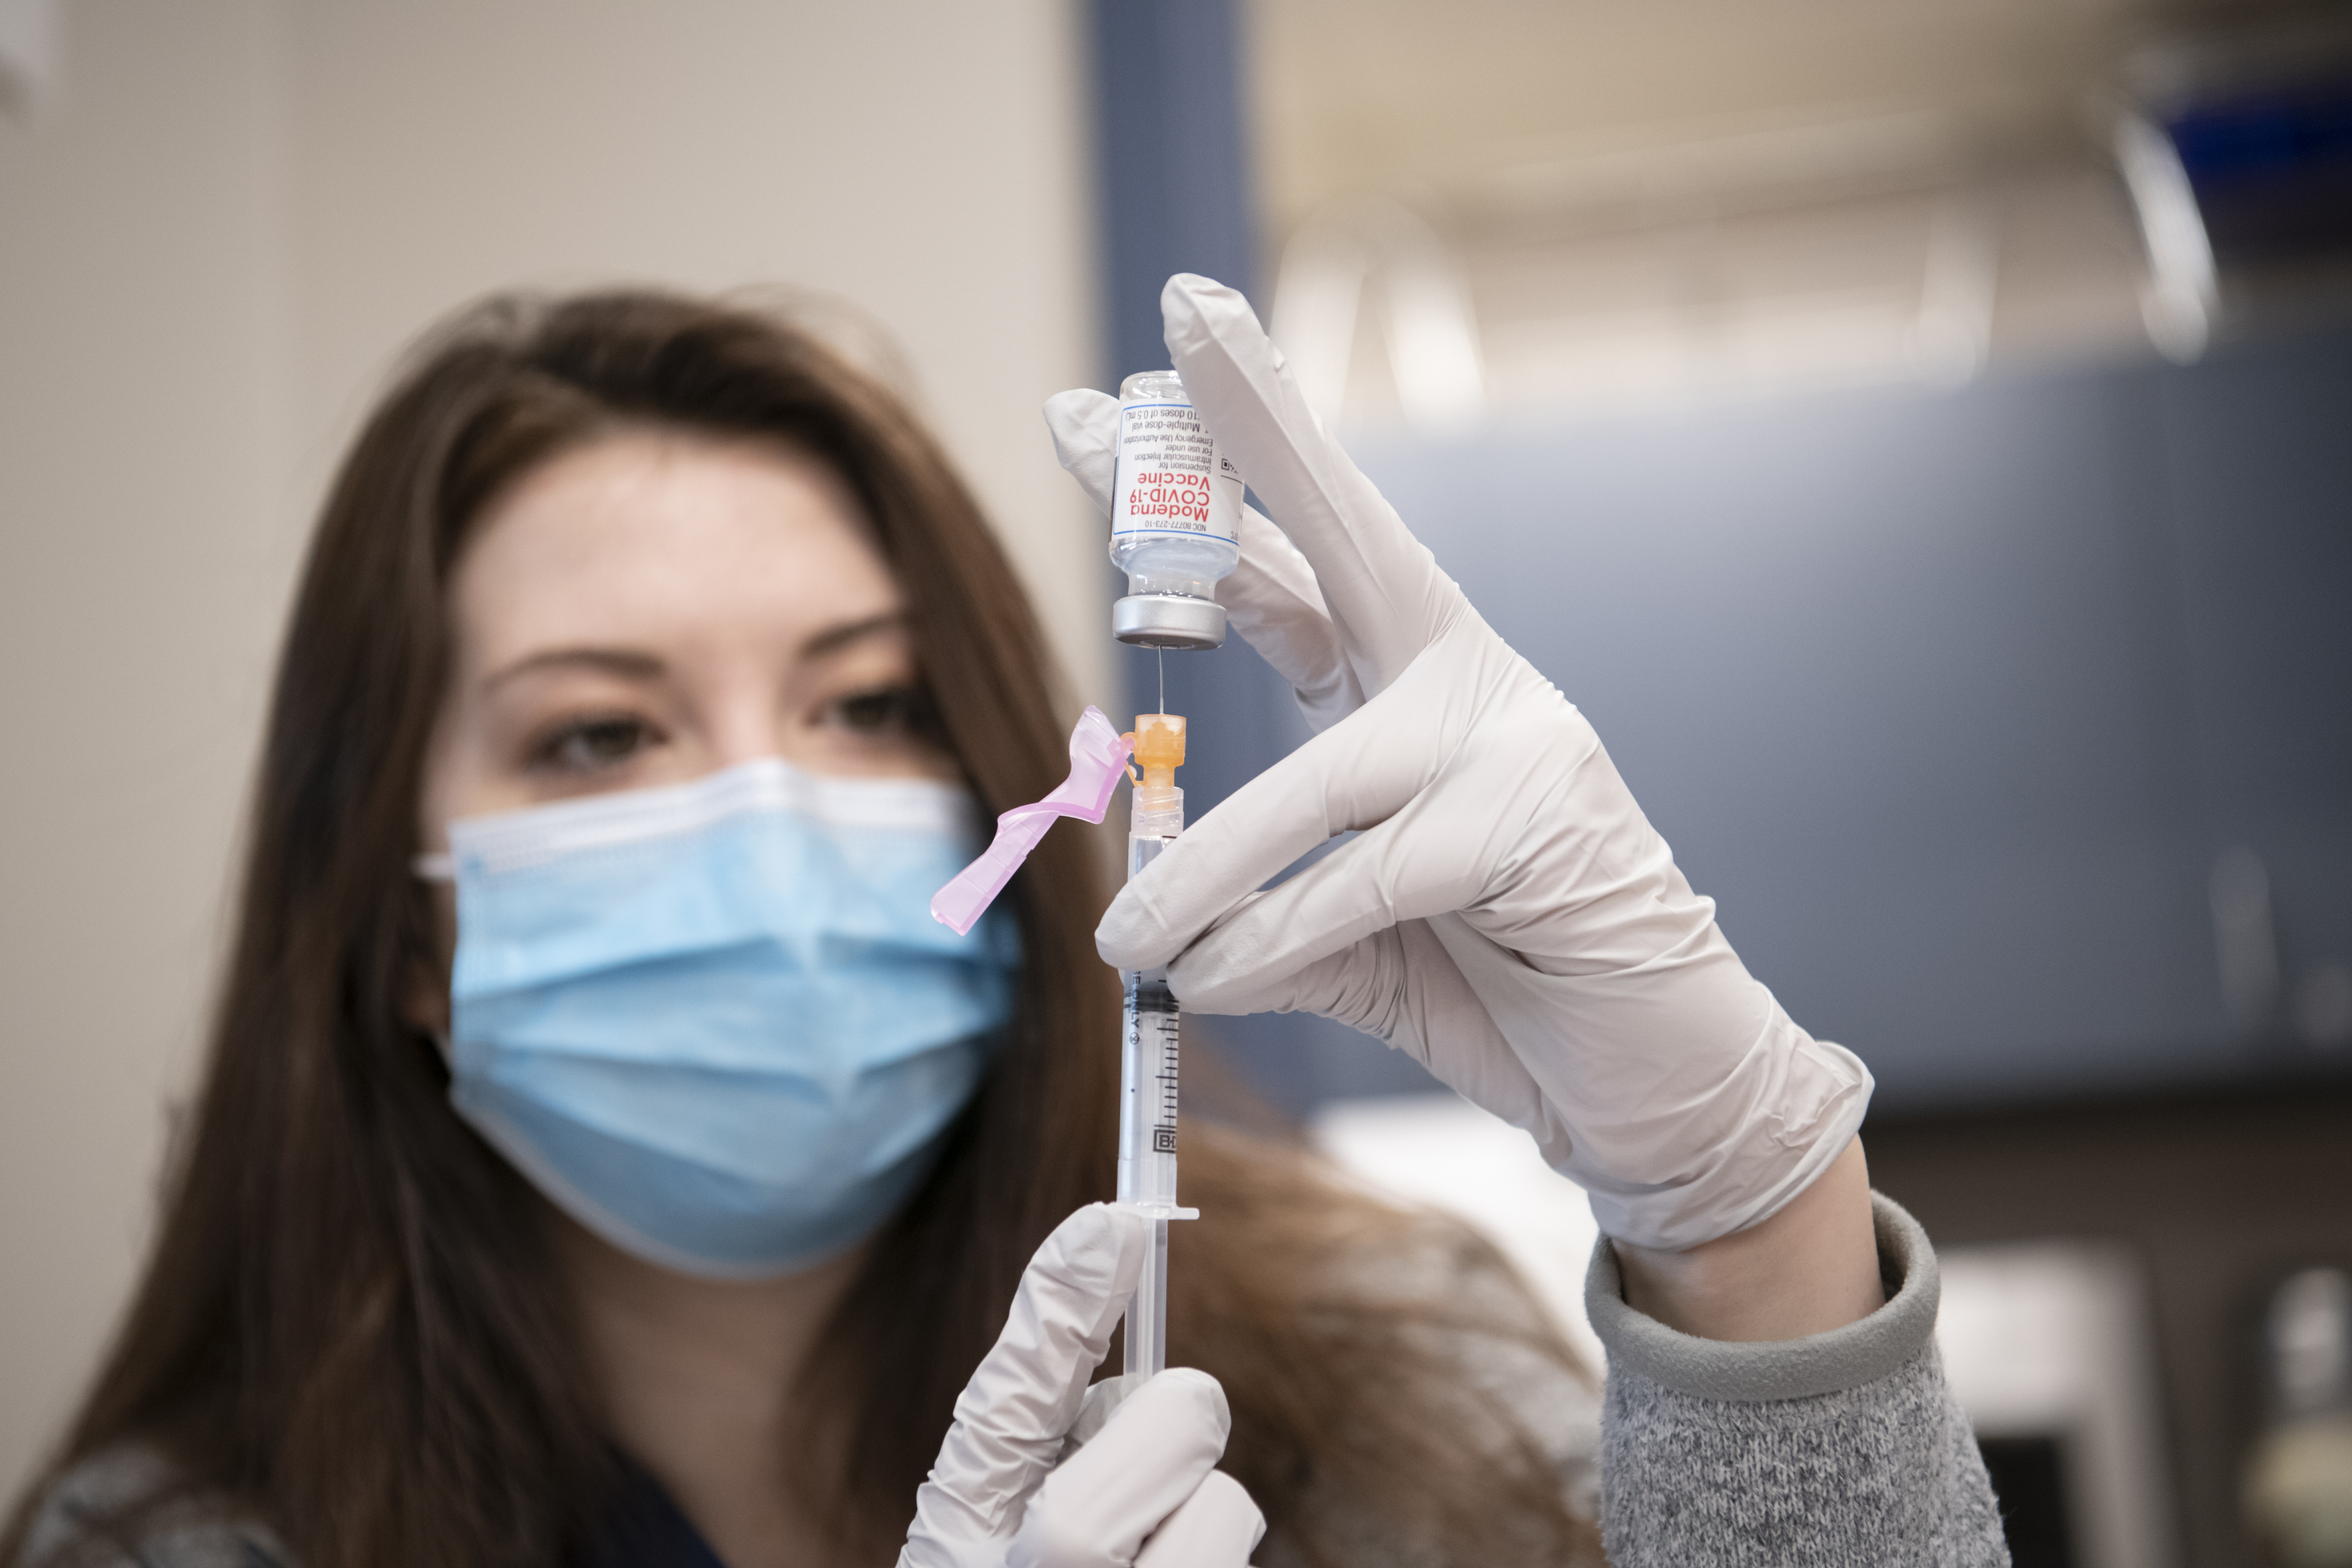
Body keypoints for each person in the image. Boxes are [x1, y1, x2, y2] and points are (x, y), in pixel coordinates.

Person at [2, 277, 2009, 1568]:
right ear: (408, 933)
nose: (778, 817)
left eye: (870, 703)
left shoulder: (1400, 1399)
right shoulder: (185, 1544)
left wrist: (1749, 1227)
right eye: (601, 730)